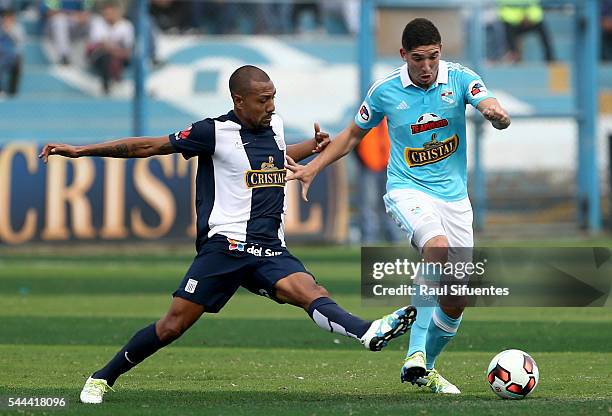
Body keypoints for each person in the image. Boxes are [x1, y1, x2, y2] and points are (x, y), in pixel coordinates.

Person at [38, 65, 417, 404]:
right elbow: (147, 146)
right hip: (226, 247)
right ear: (240, 100)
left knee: (312, 293)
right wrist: (81, 150)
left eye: (273, 98)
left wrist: (313, 148)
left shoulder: (276, 126)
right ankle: (102, 378)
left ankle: (368, 332)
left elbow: (281, 154)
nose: (271, 106)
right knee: (172, 325)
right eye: (263, 100)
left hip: (269, 248)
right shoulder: (212, 132)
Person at [286, 18, 511, 394]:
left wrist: (496, 113)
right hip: (407, 190)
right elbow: (352, 136)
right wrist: (314, 168)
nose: (427, 67)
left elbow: (486, 99)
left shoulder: (459, 78)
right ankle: (415, 353)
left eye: (434, 58)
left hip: (455, 200)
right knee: (436, 249)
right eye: (419, 59)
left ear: (442, 53)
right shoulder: (385, 91)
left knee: (456, 298)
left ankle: (427, 369)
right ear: (404, 55)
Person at [86, 0, 133, 94]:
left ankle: (120, 80)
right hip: (100, 56)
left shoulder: (126, 25)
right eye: (106, 13)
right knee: (107, 57)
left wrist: (119, 52)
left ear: (117, 12)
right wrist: (116, 51)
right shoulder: (97, 22)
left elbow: (129, 48)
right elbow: (101, 45)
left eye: (111, 12)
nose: (108, 15)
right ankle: (106, 84)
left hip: (120, 56)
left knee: (125, 57)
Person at [0, 7, 24, 97]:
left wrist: (9, 31)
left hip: (13, 56)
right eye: (6, 17)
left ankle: (11, 90)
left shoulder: (18, 28)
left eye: (10, 17)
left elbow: (20, 44)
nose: (7, 19)